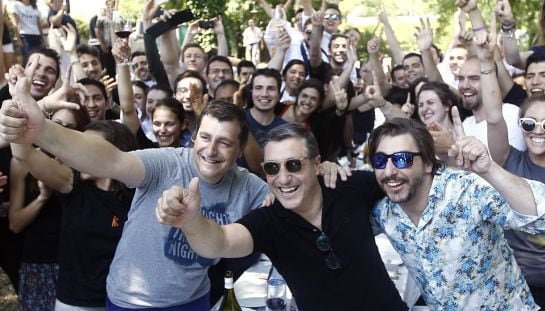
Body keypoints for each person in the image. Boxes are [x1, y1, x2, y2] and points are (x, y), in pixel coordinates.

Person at [0, 73, 271, 309]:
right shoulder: (167, 162)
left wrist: (278, 198)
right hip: (134, 302)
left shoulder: (250, 187)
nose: (211, 151)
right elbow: (110, 159)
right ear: (195, 136)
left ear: (240, 148)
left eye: (224, 142)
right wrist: (42, 131)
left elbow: (287, 214)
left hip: (194, 300)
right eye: (205, 137)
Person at [156, 123, 408, 311]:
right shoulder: (269, 221)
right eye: (272, 168)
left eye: (294, 165)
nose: (283, 178)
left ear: (317, 164)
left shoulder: (347, 186)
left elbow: (405, 178)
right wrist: (190, 221)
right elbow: (218, 241)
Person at [368, 115, 545, 309]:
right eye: (380, 160)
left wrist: (488, 169)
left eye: (403, 159)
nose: (389, 171)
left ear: (428, 163)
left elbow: (540, 218)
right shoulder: (384, 213)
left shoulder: (466, 191)